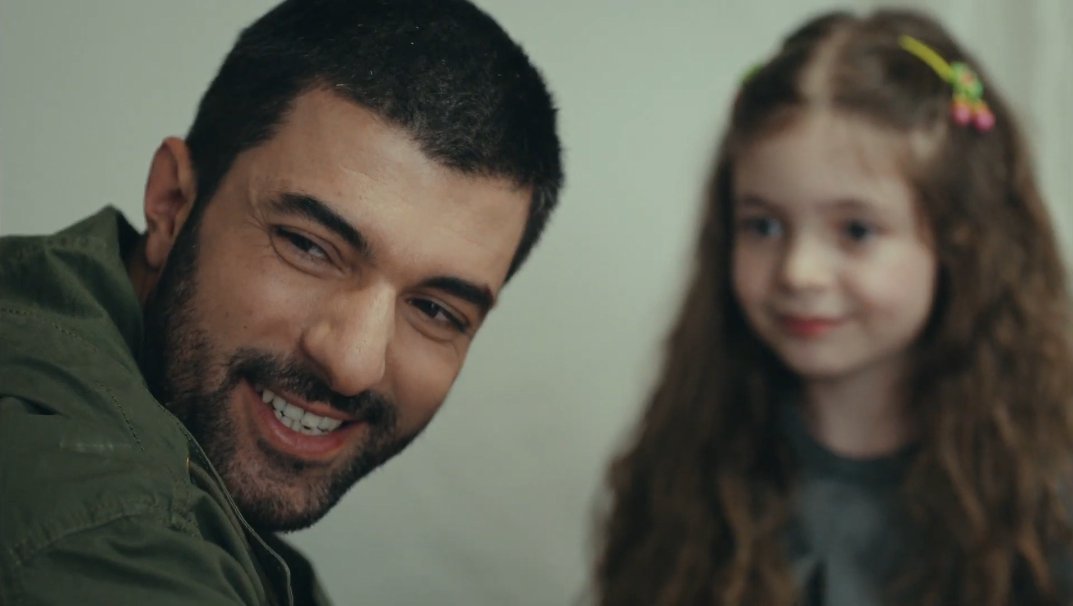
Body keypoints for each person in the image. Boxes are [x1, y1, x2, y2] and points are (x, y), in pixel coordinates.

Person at [0, 0, 562, 603]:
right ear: (172, 204)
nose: (353, 365)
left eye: (435, 310)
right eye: (308, 247)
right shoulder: (107, 529)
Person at [595, 9, 1073, 606]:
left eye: (856, 230)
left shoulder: (1044, 501)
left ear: (962, 241)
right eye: (764, 225)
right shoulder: (685, 469)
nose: (799, 272)